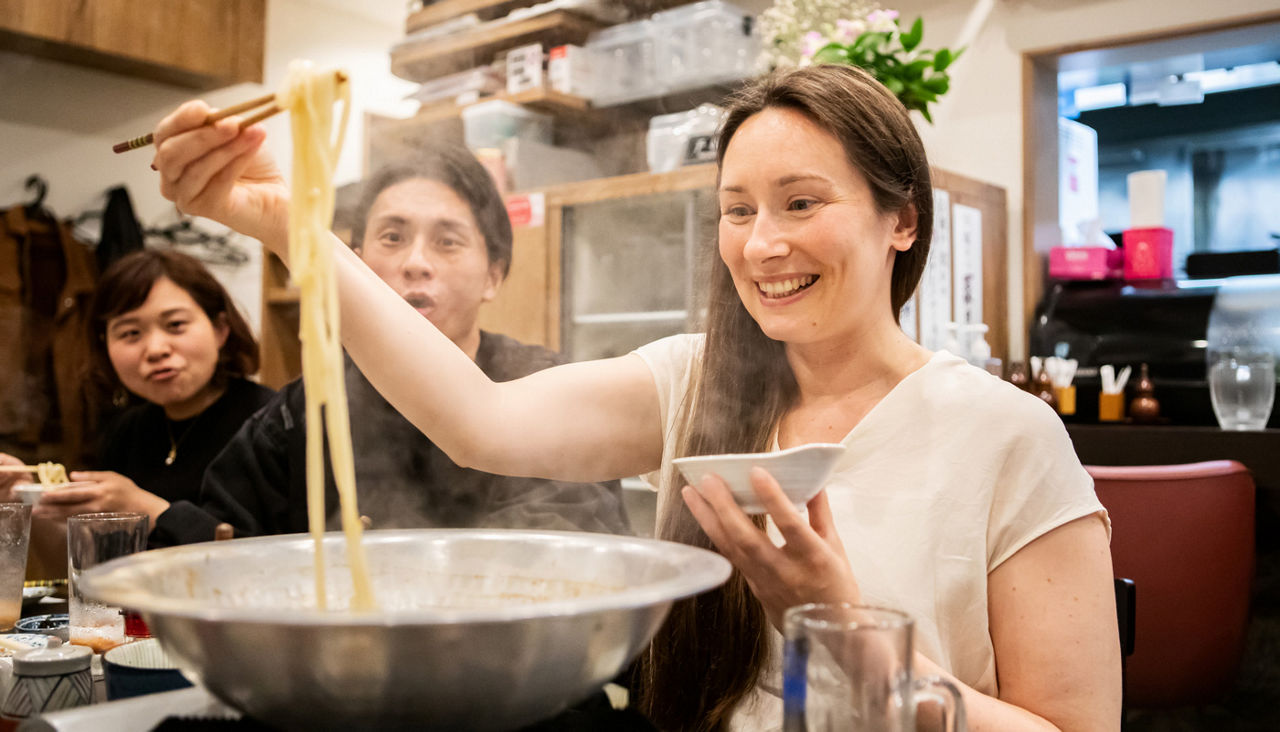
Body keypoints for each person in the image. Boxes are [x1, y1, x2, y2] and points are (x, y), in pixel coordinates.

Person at [152, 64, 1121, 730]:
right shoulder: (693, 384)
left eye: (800, 203)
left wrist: (847, 630)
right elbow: (474, 419)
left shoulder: (1005, 435)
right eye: (736, 211)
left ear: (900, 219)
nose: (761, 244)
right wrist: (284, 227)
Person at [149, 146, 630, 546]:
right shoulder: (306, 408)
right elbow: (226, 551)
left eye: (448, 241)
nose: (416, 263)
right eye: (393, 237)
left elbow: (575, 539)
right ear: (352, 266)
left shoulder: (543, 388)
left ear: (493, 275)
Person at [1, 249, 275, 546]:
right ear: (106, 346)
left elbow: (272, 559)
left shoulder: (270, 423)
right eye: (131, 333)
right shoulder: (127, 433)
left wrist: (143, 508)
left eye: (175, 325)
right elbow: (95, 563)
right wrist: (26, 502)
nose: (156, 349)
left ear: (221, 329)